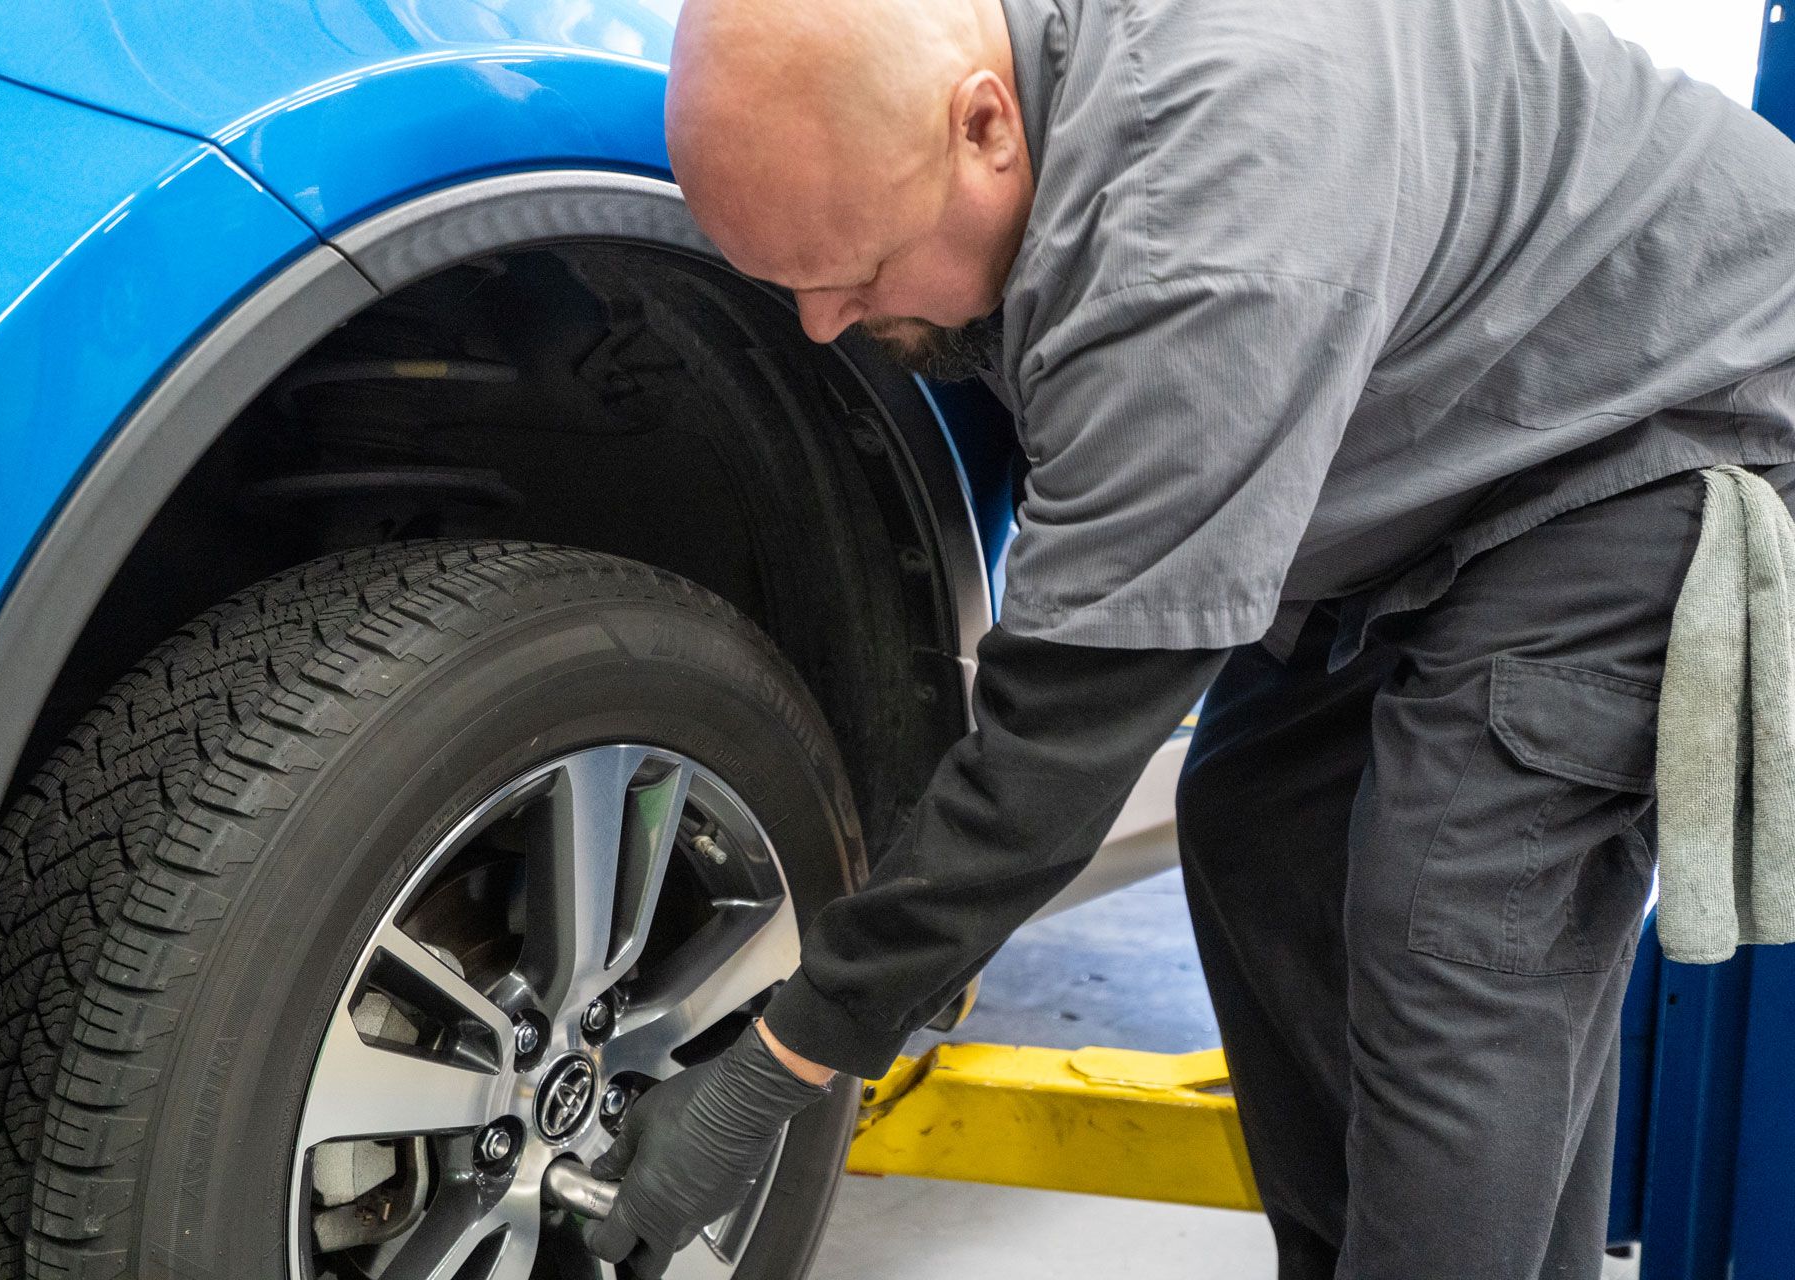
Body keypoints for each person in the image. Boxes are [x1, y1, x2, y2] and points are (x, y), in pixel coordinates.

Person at [582, 0, 1795, 1275]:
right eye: (789, 286)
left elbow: (1046, 768)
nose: (824, 323)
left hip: (1673, 405)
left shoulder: (1199, 247)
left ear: (986, 127)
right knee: (1256, 812)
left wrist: (775, 1068)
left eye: (860, 272)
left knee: (1454, 919)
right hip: (1450, 400)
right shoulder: (1019, 103)